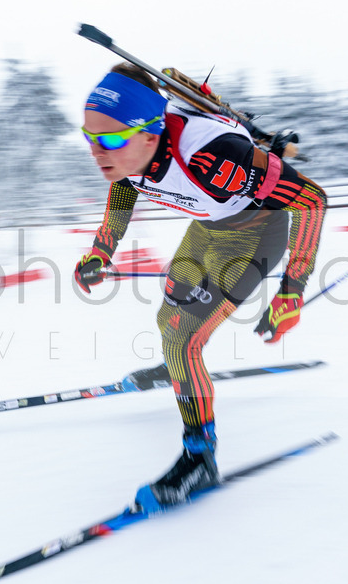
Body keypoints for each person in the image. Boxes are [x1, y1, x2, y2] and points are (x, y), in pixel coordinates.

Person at [74, 63, 326, 512]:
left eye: (110, 139)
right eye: (90, 138)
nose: (98, 152)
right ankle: (181, 369)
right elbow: (125, 186)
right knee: (167, 323)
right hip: (207, 231)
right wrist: (101, 249)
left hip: (254, 237)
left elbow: (311, 199)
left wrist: (292, 290)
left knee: (184, 339)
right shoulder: (130, 153)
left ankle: (199, 458)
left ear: (151, 134)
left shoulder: (213, 155)